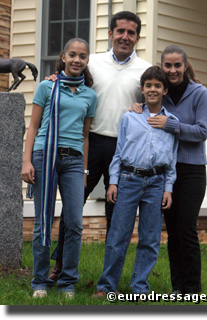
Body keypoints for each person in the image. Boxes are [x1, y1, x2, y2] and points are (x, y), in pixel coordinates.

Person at [49, 11, 151, 281]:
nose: (125, 37)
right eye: (120, 31)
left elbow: (156, 102)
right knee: (72, 207)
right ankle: (59, 266)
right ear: (110, 34)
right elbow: (66, 75)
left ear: (138, 37)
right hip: (89, 144)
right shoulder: (91, 61)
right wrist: (53, 79)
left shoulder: (145, 69)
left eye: (131, 33)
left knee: (117, 216)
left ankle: (108, 279)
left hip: (125, 149)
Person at [132, 45, 207, 295]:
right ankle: (178, 288)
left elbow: (202, 131)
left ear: (186, 66)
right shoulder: (161, 91)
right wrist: (136, 108)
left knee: (187, 229)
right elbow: (143, 105)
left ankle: (193, 289)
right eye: (168, 65)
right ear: (163, 67)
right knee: (173, 231)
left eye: (178, 65)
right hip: (165, 172)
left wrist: (172, 124)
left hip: (192, 171)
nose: (173, 70)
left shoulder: (199, 92)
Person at [21, 38, 97, 299]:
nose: (77, 60)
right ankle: (40, 281)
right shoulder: (47, 86)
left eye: (82, 56)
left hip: (74, 161)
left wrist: (85, 170)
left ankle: (67, 282)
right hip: (45, 155)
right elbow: (33, 126)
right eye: (72, 55)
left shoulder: (90, 95)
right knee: (43, 221)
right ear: (63, 56)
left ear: (87, 61)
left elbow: (86, 136)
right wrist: (26, 160)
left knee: (75, 223)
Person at [94, 66, 179, 298]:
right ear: (142, 89)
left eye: (157, 86)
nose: (152, 89)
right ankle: (106, 287)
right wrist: (113, 182)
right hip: (128, 180)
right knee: (117, 236)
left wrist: (168, 188)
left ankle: (139, 288)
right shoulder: (129, 118)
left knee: (150, 239)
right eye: (148, 85)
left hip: (156, 183)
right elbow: (119, 153)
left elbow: (171, 160)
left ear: (164, 90)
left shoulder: (171, 122)